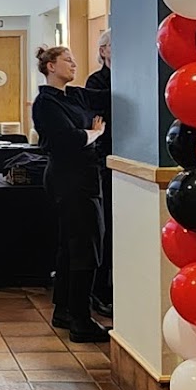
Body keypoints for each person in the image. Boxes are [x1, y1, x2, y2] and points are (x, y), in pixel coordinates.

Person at [31, 44, 108, 343]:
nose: (74, 64)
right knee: (84, 247)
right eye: (67, 60)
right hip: (69, 179)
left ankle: (64, 310)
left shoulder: (75, 95)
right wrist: (94, 133)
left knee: (72, 245)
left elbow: (107, 97)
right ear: (51, 66)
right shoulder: (45, 103)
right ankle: (80, 319)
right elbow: (65, 139)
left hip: (85, 176)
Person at [84, 30, 114, 326]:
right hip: (103, 162)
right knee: (106, 230)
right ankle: (100, 290)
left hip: (121, 161)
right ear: (103, 51)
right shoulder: (96, 82)